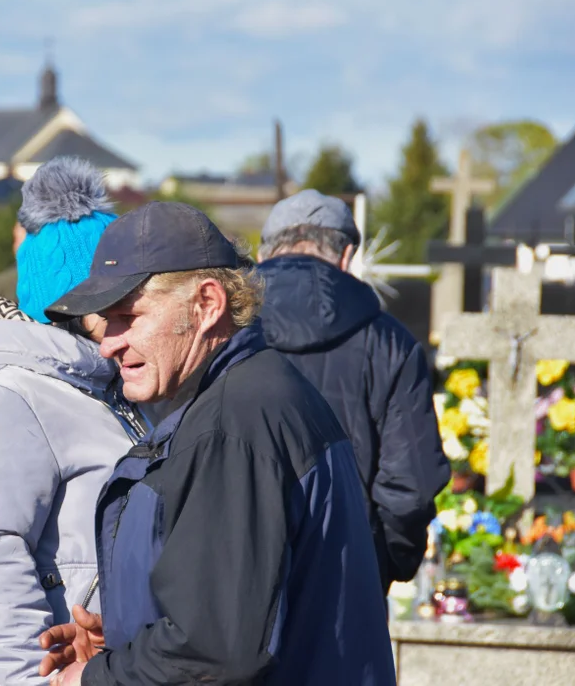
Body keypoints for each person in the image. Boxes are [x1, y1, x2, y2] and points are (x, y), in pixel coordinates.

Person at [39, 201, 395, 685]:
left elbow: (216, 651)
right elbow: (237, 612)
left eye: (128, 316)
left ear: (207, 304)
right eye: (105, 322)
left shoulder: (234, 423)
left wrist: (93, 680)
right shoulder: (245, 395)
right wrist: (125, 642)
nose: (109, 343)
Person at [0, 157, 148, 684]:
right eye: (120, 303)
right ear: (79, 303)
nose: (132, 316)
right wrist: (42, 681)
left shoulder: (98, 386)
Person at [256, 189, 450, 593]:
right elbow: (410, 484)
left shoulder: (222, 333)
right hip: (347, 578)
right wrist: (383, 563)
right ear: (346, 259)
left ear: (262, 256)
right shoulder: (391, 342)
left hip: (238, 579)